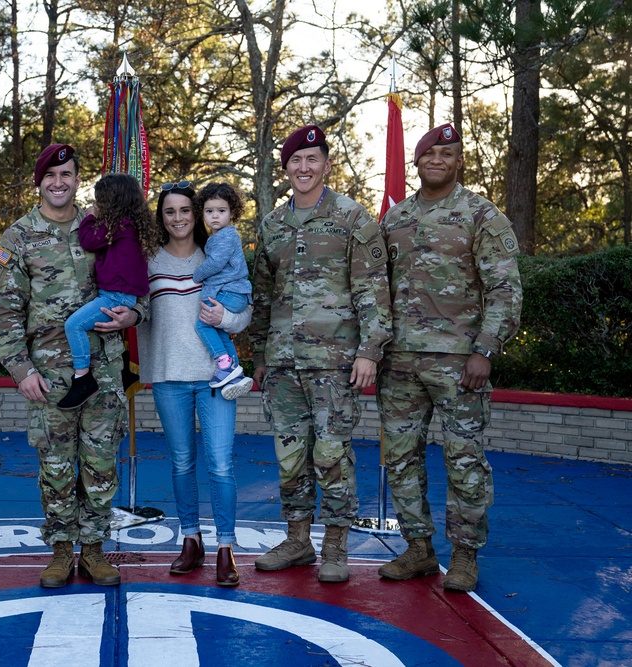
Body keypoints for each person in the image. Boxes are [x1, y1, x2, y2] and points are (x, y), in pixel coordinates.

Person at [0, 144, 144, 588]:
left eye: (68, 174)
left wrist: (137, 316)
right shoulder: (18, 237)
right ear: (39, 182)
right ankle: (60, 550)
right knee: (55, 466)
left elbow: (138, 284)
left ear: (79, 180)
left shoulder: (105, 226)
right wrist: (21, 370)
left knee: (100, 464)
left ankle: (93, 550)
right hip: (49, 376)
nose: (59, 182)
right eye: (51, 175)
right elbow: (3, 310)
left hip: (105, 372)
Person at [376, 123, 522, 593]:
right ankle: (418, 548)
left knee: (464, 460)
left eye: (448, 153)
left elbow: (505, 289)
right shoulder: (394, 220)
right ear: (416, 162)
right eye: (429, 153)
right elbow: (374, 289)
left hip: (460, 364)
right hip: (398, 362)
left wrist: (485, 349)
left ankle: (464, 555)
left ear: (459, 162)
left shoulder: (481, 215)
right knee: (400, 458)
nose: (437, 159)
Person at [250, 124, 392, 583]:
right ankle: (297, 541)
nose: (304, 167)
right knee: (290, 455)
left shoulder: (354, 219)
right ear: (286, 168)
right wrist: (259, 356)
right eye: (296, 160)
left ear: (326, 165)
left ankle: (334, 546)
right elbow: (262, 296)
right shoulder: (272, 225)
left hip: (335, 363)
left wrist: (370, 351)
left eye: (313, 159)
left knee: (331, 455)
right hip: (283, 363)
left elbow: (373, 290)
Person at [137, 180, 253, 587]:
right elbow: (137, 312)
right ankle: (190, 539)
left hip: (215, 379)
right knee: (182, 462)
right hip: (169, 377)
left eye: (186, 210)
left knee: (221, 465)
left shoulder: (219, 252)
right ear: (162, 218)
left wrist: (225, 319)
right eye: (170, 212)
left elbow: (243, 315)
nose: (179, 218)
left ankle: (225, 547)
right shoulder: (148, 262)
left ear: (200, 212)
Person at [58, 173, 161, 410]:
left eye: (99, 201)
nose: (97, 205)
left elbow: (88, 241)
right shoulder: (132, 225)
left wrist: (89, 217)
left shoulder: (117, 225)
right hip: (122, 295)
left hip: (115, 296)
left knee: (73, 325)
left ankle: (82, 378)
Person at [191, 182, 253, 395]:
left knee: (203, 326)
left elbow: (216, 263)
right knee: (220, 332)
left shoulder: (226, 236)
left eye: (221, 211)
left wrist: (197, 275)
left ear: (232, 212)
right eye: (209, 211)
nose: (215, 216)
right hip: (232, 292)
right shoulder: (219, 236)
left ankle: (223, 365)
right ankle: (235, 373)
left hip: (230, 292)